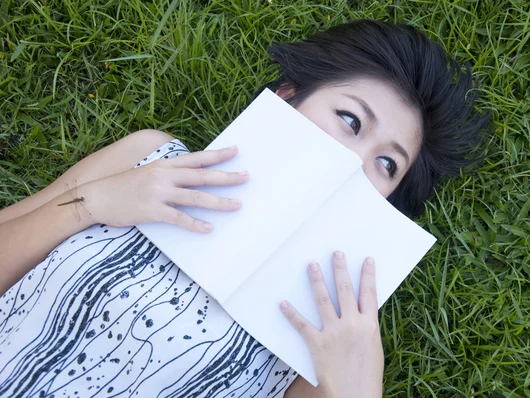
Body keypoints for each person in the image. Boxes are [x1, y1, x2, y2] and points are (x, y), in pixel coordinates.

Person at [0, 20, 489, 398]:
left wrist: (356, 390)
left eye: (386, 163)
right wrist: (88, 206)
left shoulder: (338, 325)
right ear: (286, 99)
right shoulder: (148, 157)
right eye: (349, 119)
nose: (352, 164)